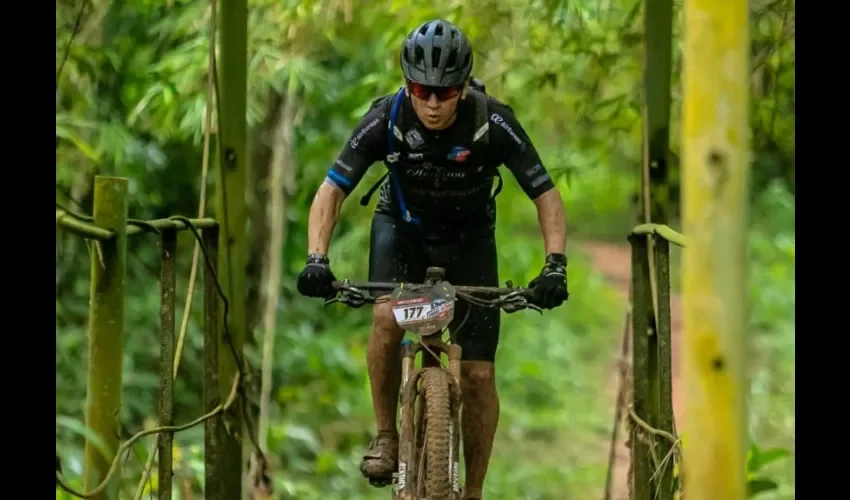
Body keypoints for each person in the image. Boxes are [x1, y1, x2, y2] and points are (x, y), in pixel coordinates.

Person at [296, 18, 569, 500]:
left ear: (463, 88)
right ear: (408, 84)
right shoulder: (387, 117)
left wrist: (555, 265)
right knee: (385, 317)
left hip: (470, 240)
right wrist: (317, 258)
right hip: (402, 231)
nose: (433, 102)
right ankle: (386, 436)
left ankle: (474, 491)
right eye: (422, 90)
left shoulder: (492, 120)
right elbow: (331, 190)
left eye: (446, 92)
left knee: (480, 374)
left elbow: (545, 194)